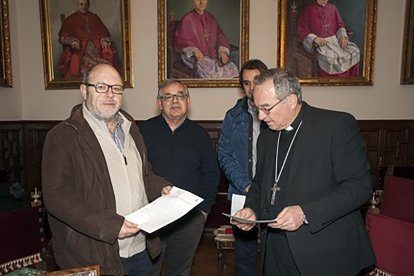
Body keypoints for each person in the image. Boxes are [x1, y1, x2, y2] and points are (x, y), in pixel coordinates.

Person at [232, 68, 376, 275]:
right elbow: (259, 184)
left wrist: (305, 213)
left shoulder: (335, 126)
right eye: (257, 109)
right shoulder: (267, 137)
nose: (261, 117)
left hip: (325, 251)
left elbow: (359, 188)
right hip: (274, 250)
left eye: (266, 108)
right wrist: (251, 209)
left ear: (291, 100)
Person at [42, 64, 173, 276]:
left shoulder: (131, 128)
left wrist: (162, 188)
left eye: (117, 88)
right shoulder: (63, 136)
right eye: (101, 87)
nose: (110, 94)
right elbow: (57, 197)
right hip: (96, 253)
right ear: (84, 91)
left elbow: (144, 176)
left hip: (142, 249)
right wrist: (111, 225)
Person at [139, 79, 220, 276]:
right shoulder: (142, 131)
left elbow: (211, 174)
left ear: (188, 100)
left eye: (180, 95)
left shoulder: (200, 134)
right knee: (147, 271)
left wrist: (204, 211)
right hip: (151, 217)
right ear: (159, 103)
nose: (174, 101)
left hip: (189, 219)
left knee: (180, 271)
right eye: (167, 96)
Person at [218, 59, 268, 276]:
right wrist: (246, 185)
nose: (251, 87)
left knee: (274, 250)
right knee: (245, 255)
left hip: (272, 194)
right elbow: (224, 155)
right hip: (241, 193)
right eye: (246, 83)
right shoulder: (233, 115)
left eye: (256, 81)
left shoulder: (277, 113)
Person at [174, 0, 239, 78]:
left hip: (213, 56)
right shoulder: (187, 19)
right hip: (193, 57)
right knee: (208, 69)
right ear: (193, 1)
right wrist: (194, 50)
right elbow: (181, 39)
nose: (201, 2)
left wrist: (222, 50)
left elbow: (220, 36)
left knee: (232, 67)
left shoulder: (211, 19)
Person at [296, 0, 360, 77]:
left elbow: (340, 25)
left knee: (355, 51)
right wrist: (314, 38)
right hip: (321, 43)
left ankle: (350, 80)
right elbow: (302, 29)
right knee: (331, 58)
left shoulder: (333, 8)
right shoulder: (309, 10)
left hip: (335, 40)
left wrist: (343, 36)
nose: (325, 0)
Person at [58, 0, 118, 80]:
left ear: (89, 5)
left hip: (96, 49)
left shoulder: (94, 17)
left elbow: (103, 33)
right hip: (81, 50)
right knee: (92, 68)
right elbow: (63, 38)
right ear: (78, 5)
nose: (84, 7)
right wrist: (73, 41)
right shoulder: (71, 19)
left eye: (86, 4)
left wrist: (103, 40)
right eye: (81, 4)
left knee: (106, 65)